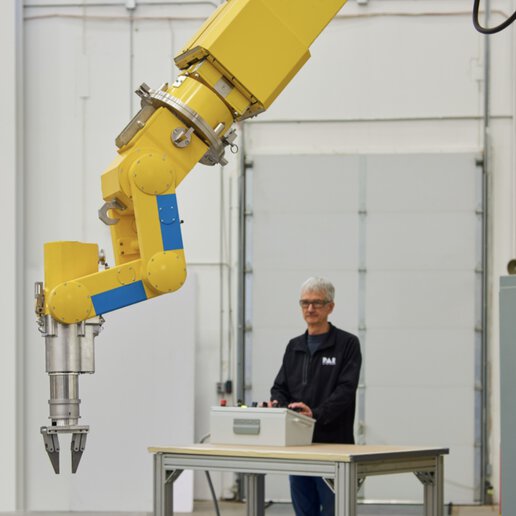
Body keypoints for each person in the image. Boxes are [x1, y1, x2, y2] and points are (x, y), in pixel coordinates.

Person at [270, 277, 362, 516]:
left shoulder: (347, 344)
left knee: (334, 510)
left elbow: (346, 390)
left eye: (317, 303)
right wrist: (281, 407)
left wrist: (315, 415)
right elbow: (279, 386)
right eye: (305, 303)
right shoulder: (294, 346)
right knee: (304, 510)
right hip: (298, 444)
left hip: (333, 444)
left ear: (330, 306)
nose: (310, 309)